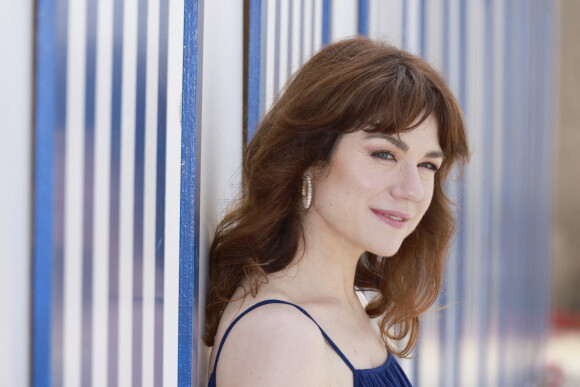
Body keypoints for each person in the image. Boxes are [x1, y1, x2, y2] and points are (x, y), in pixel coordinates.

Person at [204, 37, 470, 386]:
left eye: (427, 165)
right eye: (384, 154)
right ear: (309, 157)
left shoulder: (349, 302)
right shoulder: (282, 336)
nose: (412, 190)